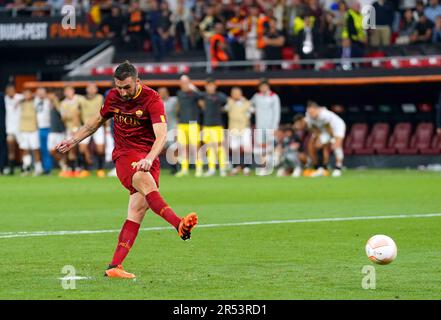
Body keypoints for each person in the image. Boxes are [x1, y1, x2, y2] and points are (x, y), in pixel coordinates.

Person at [56, 61, 198, 279]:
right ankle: (178, 224)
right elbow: (94, 123)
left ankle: (115, 266)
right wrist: (73, 140)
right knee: (145, 182)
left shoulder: (152, 99)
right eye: (119, 87)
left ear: (137, 82)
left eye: (127, 87)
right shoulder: (113, 97)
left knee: (137, 211)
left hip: (148, 156)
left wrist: (150, 159)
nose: (122, 92)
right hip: (125, 155)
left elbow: (161, 136)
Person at [305, 100, 346, 177]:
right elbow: (313, 127)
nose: (311, 114)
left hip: (337, 127)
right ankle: (321, 168)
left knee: (336, 146)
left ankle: (338, 168)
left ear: (317, 109)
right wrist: (319, 136)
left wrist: (333, 139)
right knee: (317, 146)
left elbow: (329, 128)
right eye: (310, 112)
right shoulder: (308, 115)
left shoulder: (324, 115)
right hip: (324, 129)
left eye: (313, 112)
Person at [251, 79, 281, 176]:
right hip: (260, 126)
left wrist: (275, 127)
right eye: (261, 86)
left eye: (265, 86)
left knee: (271, 147)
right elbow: (249, 106)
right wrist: (252, 110)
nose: (263, 88)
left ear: (268, 87)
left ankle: (271, 166)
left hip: (271, 127)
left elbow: (277, 112)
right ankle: (263, 167)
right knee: (261, 148)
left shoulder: (274, 97)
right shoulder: (256, 96)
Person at [175, 75, 204, 177]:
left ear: (190, 83)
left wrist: (194, 88)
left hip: (193, 123)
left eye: (186, 83)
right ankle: (184, 169)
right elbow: (178, 108)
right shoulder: (179, 94)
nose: (184, 85)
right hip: (182, 124)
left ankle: (199, 168)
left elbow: (202, 98)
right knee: (183, 148)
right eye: (182, 83)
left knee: (195, 147)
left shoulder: (195, 94)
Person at [199, 78, 228, 177]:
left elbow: (225, 101)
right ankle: (212, 168)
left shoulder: (219, 96)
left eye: (212, 85)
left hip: (217, 126)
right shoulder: (203, 96)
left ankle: (222, 168)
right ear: (206, 87)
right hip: (207, 126)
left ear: (215, 86)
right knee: (210, 148)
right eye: (208, 85)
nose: (210, 87)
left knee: (220, 148)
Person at [78, 83, 106, 178]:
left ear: (96, 90)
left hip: (98, 125)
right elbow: (77, 113)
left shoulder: (100, 98)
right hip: (85, 126)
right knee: (82, 149)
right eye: (89, 88)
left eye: (93, 88)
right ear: (86, 89)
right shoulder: (81, 100)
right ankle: (85, 169)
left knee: (100, 149)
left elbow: (105, 111)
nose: (91, 90)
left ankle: (100, 169)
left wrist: (106, 127)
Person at [226, 86, 253, 176]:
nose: (235, 94)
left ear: (241, 93)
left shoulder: (246, 102)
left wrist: (244, 102)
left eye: (237, 93)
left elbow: (251, 111)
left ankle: (246, 168)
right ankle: (235, 167)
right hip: (233, 128)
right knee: (234, 149)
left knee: (247, 149)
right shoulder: (229, 102)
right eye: (234, 93)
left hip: (244, 128)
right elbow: (225, 109)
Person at [18, 89, 43, 176]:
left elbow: (39, 97)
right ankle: (26, 168)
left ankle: (38, 168)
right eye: (25, 94)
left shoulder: (35, 102)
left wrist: (34, 95)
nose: (26, 95)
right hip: (23, 130)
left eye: (28, 94)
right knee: (25, 150)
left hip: (33, 130)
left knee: (35, 149)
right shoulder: (21, 103)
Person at [60, 86, 81, 177]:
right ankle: (73, 169)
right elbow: (64, 118)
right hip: (69, 129)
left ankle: (80, 167)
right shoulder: (63, 103)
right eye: (66, 91)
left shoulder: (79, 99)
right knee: (71, 148)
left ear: (73, 91)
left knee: (82, 149)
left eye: (70, 91)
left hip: (81, 128)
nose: (68, 93)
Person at [47, 90, 68, 176]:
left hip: (60, 131)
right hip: (52, 131)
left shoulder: (61, 104)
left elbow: (63, 115)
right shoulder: (50, 104)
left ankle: (65, 168)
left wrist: (56, 102)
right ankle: (63, 165)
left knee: (61, 151)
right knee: (51, 151)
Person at [158, 87, 179, 174]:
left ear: (167, 93)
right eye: (160, 92)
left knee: (173, 147)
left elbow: (180, 107)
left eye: (163, 92)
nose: (162, 94)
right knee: (162, 148)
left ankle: (177, 167)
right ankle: (173, 166)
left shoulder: (174, 100)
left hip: (172, 127)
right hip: (161, 129)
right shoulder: (156, 103)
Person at [4, 85, 23, 175]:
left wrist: (20, 102)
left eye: (12, 90)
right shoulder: (5, 99)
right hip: (10, 128)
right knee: (11, 148)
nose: (10, 92)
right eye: (8, 91)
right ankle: (11, 168)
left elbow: (30, 96)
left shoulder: (19, 97)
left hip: (20, 128)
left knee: (22, 148)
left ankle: (24, 167)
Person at [34, 87, 52, 174]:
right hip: (37, 128)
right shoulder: (35, 101)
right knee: (40, 149)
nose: (41, 94)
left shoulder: (49, 101)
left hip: (48, 127)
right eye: (39, 92)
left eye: (42, 92)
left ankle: (48, 168)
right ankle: (42, 168)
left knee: (48, 149)